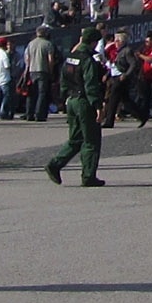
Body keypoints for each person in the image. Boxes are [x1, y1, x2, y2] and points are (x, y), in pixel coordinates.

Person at [45, 26, 107, 186]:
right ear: (94, 42)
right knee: (91, 140)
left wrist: (64, 98)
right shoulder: (88, 60)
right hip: (84, 102)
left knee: (75, 138)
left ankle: (55, 164)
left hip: (72, 100)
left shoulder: (70, 57)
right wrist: (98, 106)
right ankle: (88, 176)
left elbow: (63, 80)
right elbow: (91, 85)